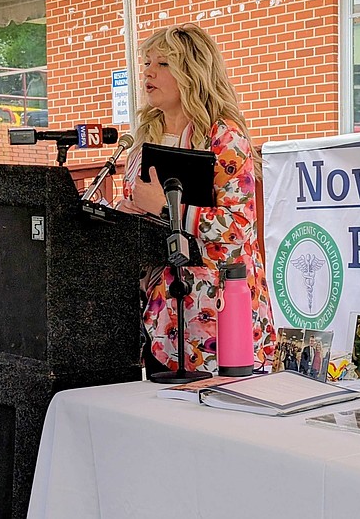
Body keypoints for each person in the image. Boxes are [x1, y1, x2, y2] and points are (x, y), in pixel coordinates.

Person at [116, 23, 273, 375]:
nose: (148, 72)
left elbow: (238, 228)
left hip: (216, 317)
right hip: (157, 312)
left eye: (163, 64)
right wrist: (125, 216)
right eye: (146, 63)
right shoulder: (142, 142)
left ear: (194, 72)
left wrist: (165, 207)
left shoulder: (224, 137)